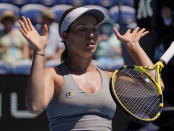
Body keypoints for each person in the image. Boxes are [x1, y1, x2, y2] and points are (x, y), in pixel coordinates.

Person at [18, 6, 164, 131]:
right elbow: (35, 106)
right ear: (65, 36)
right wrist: (39, 52)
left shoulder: (110, 78)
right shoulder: (52, 75)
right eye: (82, 29)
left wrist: (134, 47)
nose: (91, 34)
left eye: (94, 28)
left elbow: (156, 87)